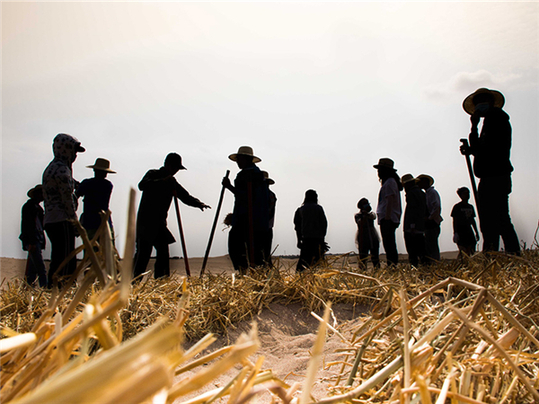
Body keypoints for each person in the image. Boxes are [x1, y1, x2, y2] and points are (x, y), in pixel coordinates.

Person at [460, 88, 520, 254]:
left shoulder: (497, 119)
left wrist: (473, 128)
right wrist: (471, 149)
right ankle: (500, 255)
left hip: (495, 176)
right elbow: (483, 149)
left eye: (482, 101)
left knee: (494, 220)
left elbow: (485, 149)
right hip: (493, 176)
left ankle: (498, 254)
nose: (480, 106)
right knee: (496, 220)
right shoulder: (492, 120)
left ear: (491, 103)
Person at [133, 153, 210, 279]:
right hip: (146, 223)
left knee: (163, 253)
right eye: (174, 167)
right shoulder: (153, 174)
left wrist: (198, 203)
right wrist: (162, 181)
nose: (175, 171)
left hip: (160, 224)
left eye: (177, 169)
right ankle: (134, 283)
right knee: (143, 254)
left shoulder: (172, 182)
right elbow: (142, 185)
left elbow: (184, 196)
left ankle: (161, 283)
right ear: (167, 164)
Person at [43, 133, 85, 287]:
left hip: (51, 219)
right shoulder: (62, 169)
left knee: (58, 257)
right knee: (66, 260)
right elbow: (66, 198)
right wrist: (74, 221)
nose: (75, 155)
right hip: (61, 220)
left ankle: (52, 290)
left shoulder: (53, 168)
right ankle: (62, 290)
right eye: (73, 150)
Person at [222, 146, 269, 275]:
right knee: (253, 248)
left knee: (236, 245)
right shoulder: (258, 174)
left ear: (247, 159)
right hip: (258, 220)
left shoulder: (247, 174)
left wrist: (229, 186)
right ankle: (255, 273)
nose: (237, 162)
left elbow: (245, 196)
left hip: (246, 218)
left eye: (239, 159)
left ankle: (245, 272)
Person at [76, 158, 116, 242]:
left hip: (89, 222)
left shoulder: (86, 183)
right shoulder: (108, 185)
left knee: (90, 250)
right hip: (105, 222)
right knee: (107, 250)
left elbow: (77, 194)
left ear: (94, 170)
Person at [373, 158, 403, 265]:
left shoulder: (390, 182)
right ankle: (391, 264)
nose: (378, 173)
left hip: (388, 218)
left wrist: (387, 217)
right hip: (388, 217)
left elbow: (389, 201)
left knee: (389, 244)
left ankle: (392, 264)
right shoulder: (389, 182)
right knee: (389, 243)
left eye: (380, 170)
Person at [19, 185, 47, 287]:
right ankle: (44, 287)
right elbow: (29, 225)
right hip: (34, 240)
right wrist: (31, 242)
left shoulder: (37, 208)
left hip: (36, 240)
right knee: (40, 268)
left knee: (32, 268)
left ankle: (28, 287)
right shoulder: (30, 207)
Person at [294, 189, 328, 272]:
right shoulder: (319, 208)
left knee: (303, 264)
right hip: (317, 239)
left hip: (306, 240)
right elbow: (324, 224)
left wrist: (298, 240)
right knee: (318, 264)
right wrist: (322, 239)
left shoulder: (300, 210)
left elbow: (297, 227)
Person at [402, 174, 427, 267]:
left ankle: (415, 268)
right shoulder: (422, 193)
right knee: (421, 250)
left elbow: (413, 210)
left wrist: (412, 226)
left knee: (412, 251)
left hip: (412, 227)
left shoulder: (412, 194)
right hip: (420, 226)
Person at [417, 174, 443, 263]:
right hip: (430, 223)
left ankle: (435, 263)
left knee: (432, 245)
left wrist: (429, 218)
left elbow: (437, 207)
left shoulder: (432, 193)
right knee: (430, 245)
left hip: (432, 223)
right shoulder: (427, 193)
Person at [451, 187, 480, 258]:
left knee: (472, 248)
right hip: (461, 230)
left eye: (468, 193)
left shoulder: (470, 207)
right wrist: (455, 233)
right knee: (463, 250)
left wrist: (476, 232)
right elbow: (455, 220)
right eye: (465, 193)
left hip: (469, 230)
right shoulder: (457, 207)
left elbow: (472, 220)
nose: (467, 195)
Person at [354, 198, 380, 269]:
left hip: (372, 237)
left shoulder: (371, 214)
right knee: (363, 257)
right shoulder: (358, 215)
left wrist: (367, 214)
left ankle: (376, 269)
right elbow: (360, 222)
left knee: (375, 256)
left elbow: (373, 216)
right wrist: (364, 216)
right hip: (363, 237)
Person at [262, 171, 277, 267]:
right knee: (265, 254)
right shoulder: (271, 195)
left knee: (264, 254)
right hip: (267, 228)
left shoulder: (267, 195)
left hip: (263, 228)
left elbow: (268, 213)